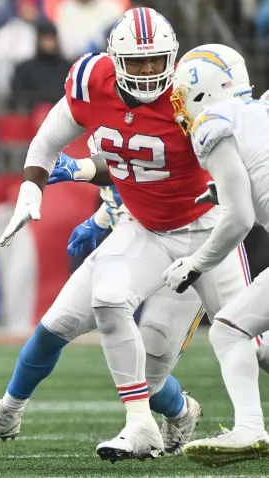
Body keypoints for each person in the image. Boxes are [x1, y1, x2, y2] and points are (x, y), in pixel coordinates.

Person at [0, 8, 261, 461]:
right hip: (145, 227)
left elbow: (215, 176)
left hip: (205, 231)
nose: (147, 71)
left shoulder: (188, 96)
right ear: (114, 60)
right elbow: (57, 142)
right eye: (136, 62)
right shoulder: (91, 83)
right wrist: (30, 187)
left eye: (157, 62)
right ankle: (135, 426)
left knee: (251, 345)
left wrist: (100, 205)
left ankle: (184, 415)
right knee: (103, 300)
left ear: (172, 59)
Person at [164, 44, 269, 467]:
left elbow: (240, 217)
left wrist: (195, 263)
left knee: (227, 329)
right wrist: (223, 190)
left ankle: (250, 427)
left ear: (200, 90)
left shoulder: (212, 120)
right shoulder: (258, 111)